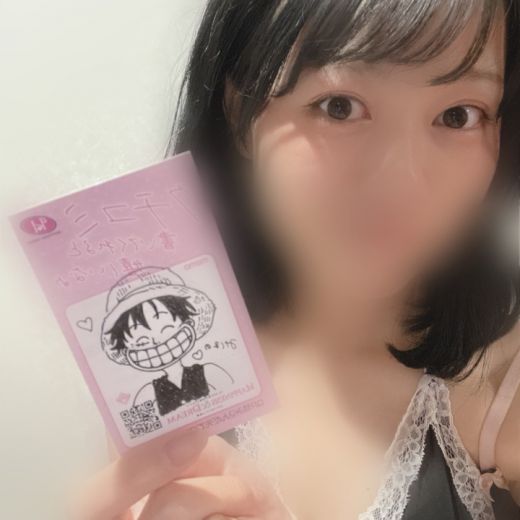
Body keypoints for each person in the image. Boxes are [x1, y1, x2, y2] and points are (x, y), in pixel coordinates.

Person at [76, 1, 520, 518]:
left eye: (458, 115)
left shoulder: (500, 381)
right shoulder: (158, 354)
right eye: (339, 106)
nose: (401, 182)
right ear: (240, 113)